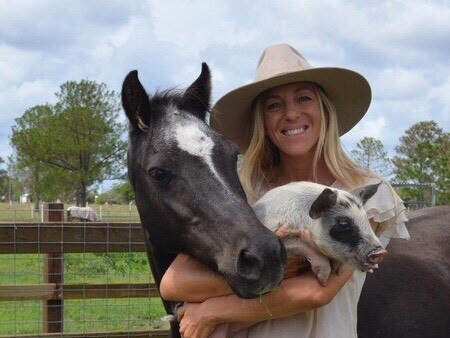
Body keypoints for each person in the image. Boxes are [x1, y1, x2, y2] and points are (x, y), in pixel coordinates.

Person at [159, 43, 410, 338]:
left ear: (323, 108)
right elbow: (176, 283)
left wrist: (211, 311)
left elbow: (314, 293)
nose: (291, 114)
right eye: (274, 105)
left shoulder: (365, 196)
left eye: (303, 98)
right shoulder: (240, 191)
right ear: (262, 120)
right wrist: (290, 261)